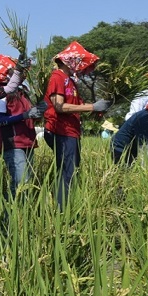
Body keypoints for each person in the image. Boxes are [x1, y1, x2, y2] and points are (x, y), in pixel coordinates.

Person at [42, 41, 111, 209]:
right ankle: (61, 214)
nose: (80, 66)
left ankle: (67, 208)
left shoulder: (70, 81)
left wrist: (97, 109)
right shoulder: (57, 77)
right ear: (67, 60)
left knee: (71, 172)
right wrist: (92, 106)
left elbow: (76, 106)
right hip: (60, 131)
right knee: (67, 173)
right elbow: (59, 106)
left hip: (71, 132)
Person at [0, 54, 46, 196]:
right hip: (13, 143)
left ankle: (23, 214)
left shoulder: (23, 92)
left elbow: (30, 117)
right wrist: (24, 116)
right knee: (21, 182)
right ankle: (10, 216)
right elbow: (0, 120)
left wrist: (38, 112)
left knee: (28, 182)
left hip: (28, 141)